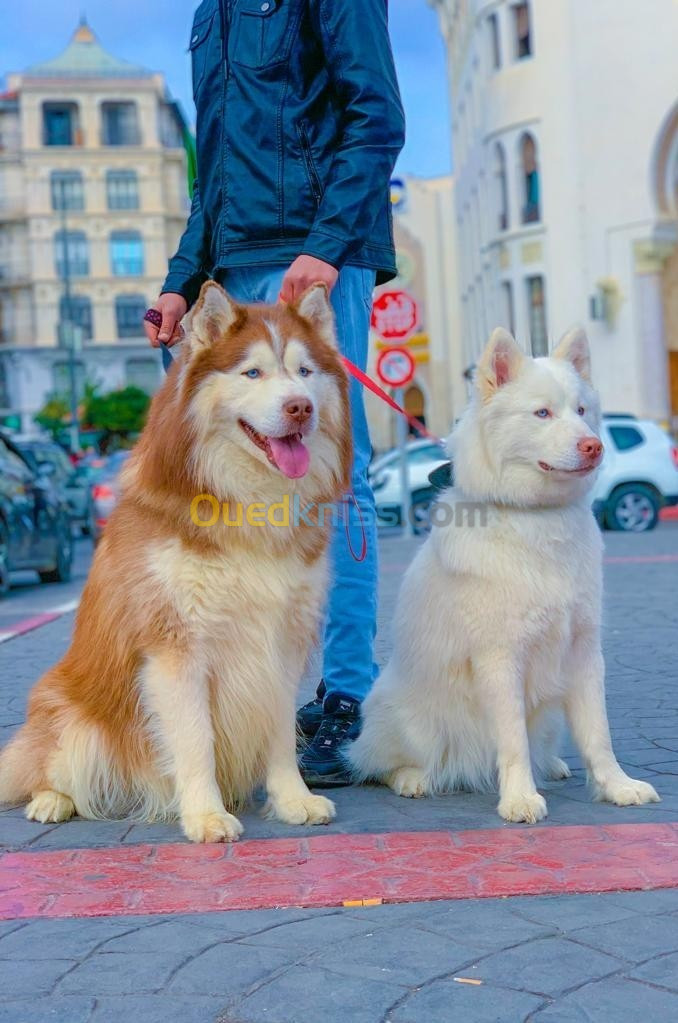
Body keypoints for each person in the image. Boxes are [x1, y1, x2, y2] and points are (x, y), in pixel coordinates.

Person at [144, 0, 405, 785]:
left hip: (315, 259)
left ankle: (348, 696)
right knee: (239, 483)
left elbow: (377, 116)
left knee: (332, 477)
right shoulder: (208, 16)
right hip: (232, 261)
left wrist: (326, 249)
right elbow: (211, 176)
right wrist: (180, 284)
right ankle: (258, 695)